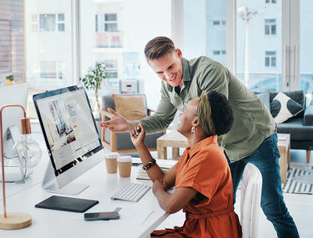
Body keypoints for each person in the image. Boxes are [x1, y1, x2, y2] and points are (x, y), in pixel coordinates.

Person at [99, 36, 299, 237]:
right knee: (219, 204)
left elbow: (210, 122)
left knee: (272, 207)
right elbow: (162, 119)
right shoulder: (169, 86)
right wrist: (132, 125)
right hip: (224, 147)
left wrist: (190, 166)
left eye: (170, 67)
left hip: (256, 137)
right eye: (159, 72)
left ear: (178, 54)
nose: (168, 76)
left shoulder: (208, 72)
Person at [131, 91, 241, 237]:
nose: (180, 115)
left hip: (212, 233)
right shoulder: (198, 149)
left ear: (196, 122)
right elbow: (163, 180)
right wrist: (140, 145)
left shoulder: (206, 156)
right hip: (200, 229)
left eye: (184, 111)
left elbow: (171, 205)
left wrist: (157, 190)